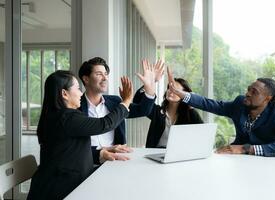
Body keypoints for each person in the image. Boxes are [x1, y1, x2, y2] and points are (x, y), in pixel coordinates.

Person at [27, 70, 133, 200]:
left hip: (61, 184)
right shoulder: (66, 117)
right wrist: (126, 101)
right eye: (77, 88)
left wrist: (102, 151)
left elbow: (69, 150)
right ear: (64, 93)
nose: (80, 94)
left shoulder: (60, 116)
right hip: (57, 191)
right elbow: (104, 124)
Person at [168, 74, 275, 157]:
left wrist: (245, 149)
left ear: (267, 98)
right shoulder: (240, 104)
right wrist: (180, 93)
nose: (248, 93)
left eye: (254, 92)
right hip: (237, 161)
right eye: (249, 89)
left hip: (268, 166)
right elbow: (211, 104)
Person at [78, 57, 157, 163]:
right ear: (86, 79)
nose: (105, 78)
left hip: (115, 161)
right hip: (87, 164)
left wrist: (149, 87)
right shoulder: (76, 107)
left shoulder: (115, 102)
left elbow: (143, 110)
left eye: (105, 74)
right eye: (99, 74)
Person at [133, 61, 203, 148]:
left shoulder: (190, 113)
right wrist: (150, 83)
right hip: (155, 152)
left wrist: (191, 102)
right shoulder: (158, 111)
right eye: (170, 88)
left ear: (184, 94)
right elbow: (137, 101)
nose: (171, 91)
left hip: (179, 154)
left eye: (176, 90)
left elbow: (202, 134)